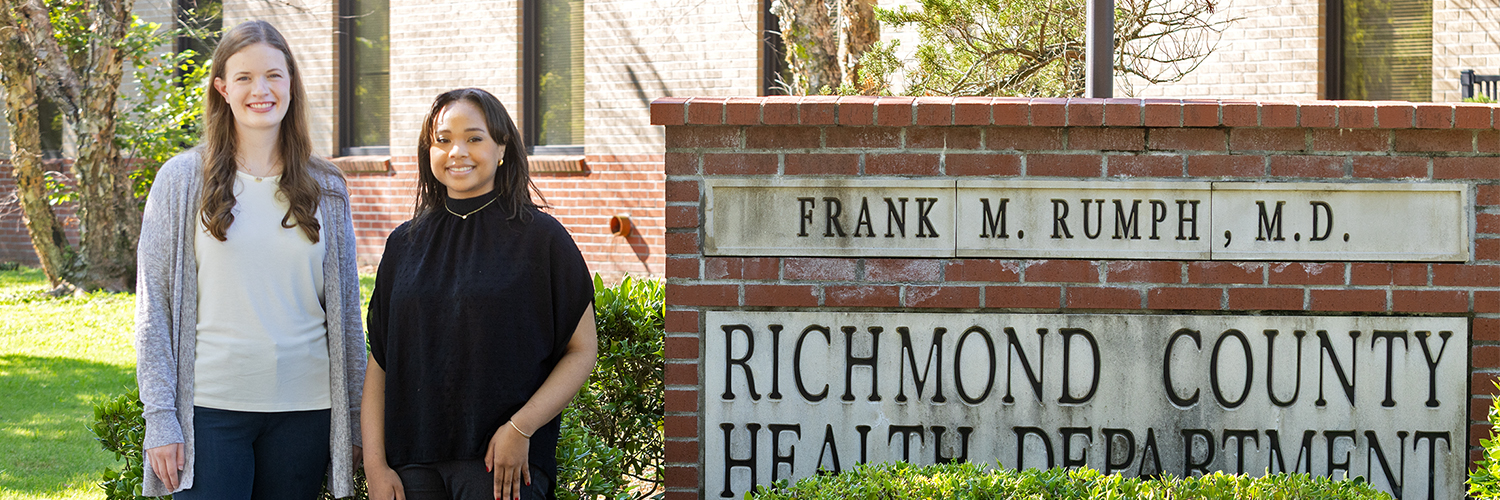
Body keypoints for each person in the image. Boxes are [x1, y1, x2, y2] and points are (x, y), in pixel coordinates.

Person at [134, 19, 366, 499]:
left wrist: (356, 420)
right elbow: (153, 308)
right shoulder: (181, 182)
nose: (260, 89)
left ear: (291, 84)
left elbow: (346, 314)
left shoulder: (328, 188)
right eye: (243, 77)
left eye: (274, 75)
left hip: (306, 411)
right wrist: (160, 418)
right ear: (221, 88)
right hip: (211, 412)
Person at [362, 87, 598, 500]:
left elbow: (582, 351)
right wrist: (376, 467)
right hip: (410, 468)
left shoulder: (542, 240)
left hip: (501, 465)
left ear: (502, 146)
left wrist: (521, 427)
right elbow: (380, 364)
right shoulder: (403, 244)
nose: (458, 151)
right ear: (428, 150)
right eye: (443, 139)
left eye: (474, 138)